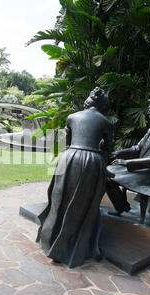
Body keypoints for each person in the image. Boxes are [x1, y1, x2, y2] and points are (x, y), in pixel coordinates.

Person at [36, 87, 114, 268]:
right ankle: (72, 248)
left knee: (59, 200)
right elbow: (108, 150)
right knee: (84, 203)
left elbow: (67, 141)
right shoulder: (106, 122)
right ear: (104, 105)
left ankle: (49, 240)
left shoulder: (72, 117)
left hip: (68, 157)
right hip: (91, 161)